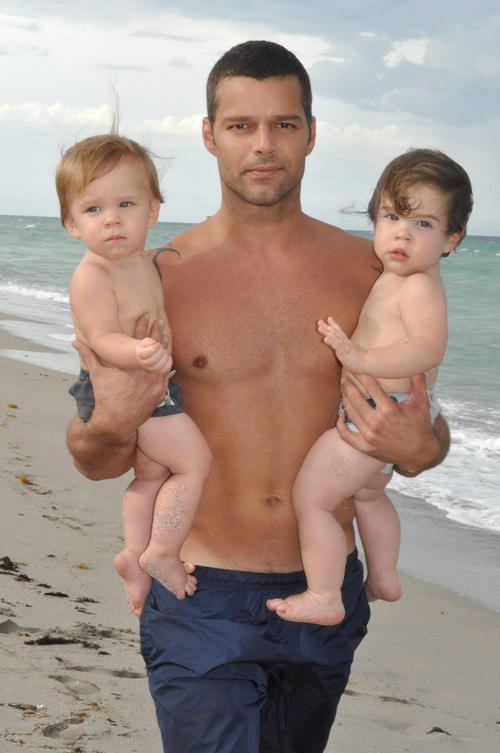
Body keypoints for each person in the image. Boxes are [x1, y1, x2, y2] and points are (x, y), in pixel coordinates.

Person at [66, 41, 451, 753]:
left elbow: (426, 423)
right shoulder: (157, 278)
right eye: (241, 125)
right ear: (209, 135)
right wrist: (112, 422)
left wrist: (420, 445)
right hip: (200, 592)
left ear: (312, 132)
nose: (264, 145)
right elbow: (94, 456)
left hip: (324, 594)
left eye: (284, 124)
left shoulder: (372, 272)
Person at [267, 149, 473, 626]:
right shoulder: (398, 276)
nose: (402, 233)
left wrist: (361, 358)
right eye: (392, 217)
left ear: (451, 238)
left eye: (423, 224)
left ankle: (324, 595)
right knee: (368, 496)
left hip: (379, 413)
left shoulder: (418, 285)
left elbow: (427, 348)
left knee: (313, 499)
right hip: (386, 408)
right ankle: (383, 575)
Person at [57, 135, 211, 617]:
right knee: (193, 462)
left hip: (148, 378)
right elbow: (101, 337)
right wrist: (139, 351)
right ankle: (162, 552)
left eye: (126, 204)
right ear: (71, 224)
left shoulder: (142, 263)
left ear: (153, 211)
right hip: (123, 383)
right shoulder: (93, 275)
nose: (112, 219)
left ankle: (133, 555)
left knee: (151, 473)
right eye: (94, 209)